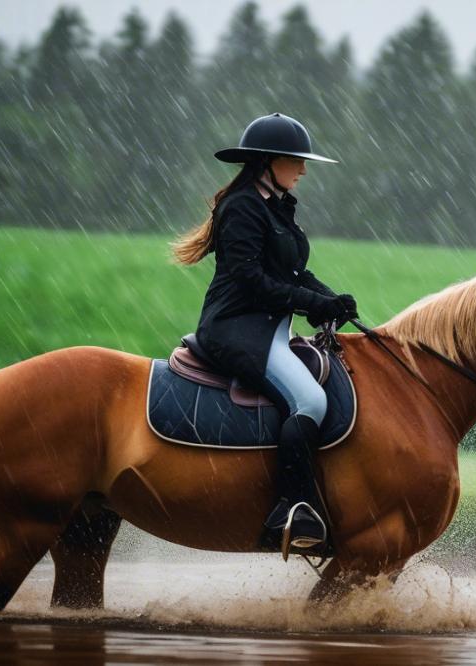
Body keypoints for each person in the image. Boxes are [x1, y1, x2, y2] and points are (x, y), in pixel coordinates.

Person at [171, 112, 358, 559]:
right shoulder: (241, 207)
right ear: (269, 161)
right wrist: (312, 304)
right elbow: (250, 279)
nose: (304, 169)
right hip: (234, 330)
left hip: (268, 330)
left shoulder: (275, 206)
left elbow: (294, 272)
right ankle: (290, 509)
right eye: (296, 160)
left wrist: (332, 300)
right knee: (310, 402)